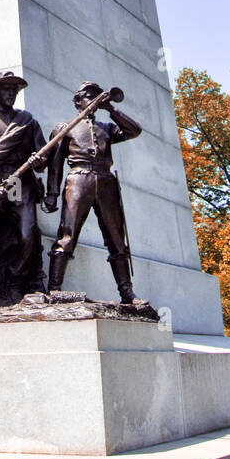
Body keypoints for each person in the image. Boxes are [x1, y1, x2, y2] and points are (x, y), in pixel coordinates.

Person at [44, 81, 144, 304]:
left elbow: (134, 130)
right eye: (89, 96)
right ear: (78, 101)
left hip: (106, 180)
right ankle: (54, 288)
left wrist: (111, 109)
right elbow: (56, 164)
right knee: (67, 235)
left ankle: (126, 292)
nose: (93, 100)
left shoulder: (107, 128)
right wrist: (51, 194)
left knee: (116, 238)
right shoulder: (65, 127)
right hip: (78, 179)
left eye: (96, 96)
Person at [0, 71, 47, 295]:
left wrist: (39, 159)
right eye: (6, 89)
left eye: (14, 90)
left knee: (27, 234)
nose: (11, 93)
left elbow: (42, 158)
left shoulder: (27, 120)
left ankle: (16, 278)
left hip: (19, 182)